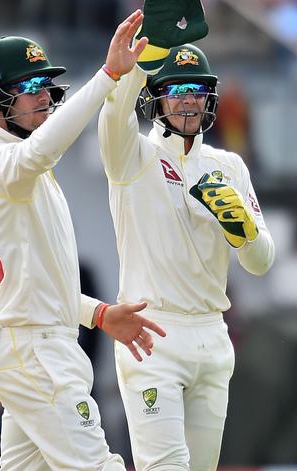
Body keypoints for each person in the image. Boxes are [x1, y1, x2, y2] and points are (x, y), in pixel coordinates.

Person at [0, 10, 167, 470]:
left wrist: (96, 313)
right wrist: (108, 76)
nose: (42, 97)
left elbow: (38, 286)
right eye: (29, 88)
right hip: (37, 354)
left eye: (44, 87)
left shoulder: (27, 172)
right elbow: (41, 150)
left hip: (39, 345)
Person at [97, 39, 275, 468]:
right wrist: (144, 54)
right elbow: (113, 114)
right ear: (155, 98)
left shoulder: (228, 165)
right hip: (153, 333)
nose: (189, 101)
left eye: (197, 90)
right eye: (176, 90)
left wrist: (244, 232)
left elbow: (261, 262)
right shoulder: (133, 154)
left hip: (213, 335)